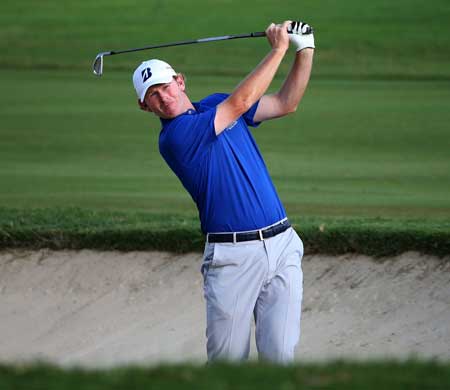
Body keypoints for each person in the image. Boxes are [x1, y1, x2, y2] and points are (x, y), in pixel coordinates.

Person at [132, 20, 315, 363]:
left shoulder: (215, 104)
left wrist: (304, 49)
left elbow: (286, 103)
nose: (162, 97)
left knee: (281, 359)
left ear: (180, 81)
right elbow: (242, 101)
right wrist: (278, 49)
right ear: (145, 107)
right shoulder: (175, 138)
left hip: (282, 243)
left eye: (164, 87)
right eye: (152, 95)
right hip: (232, 258)